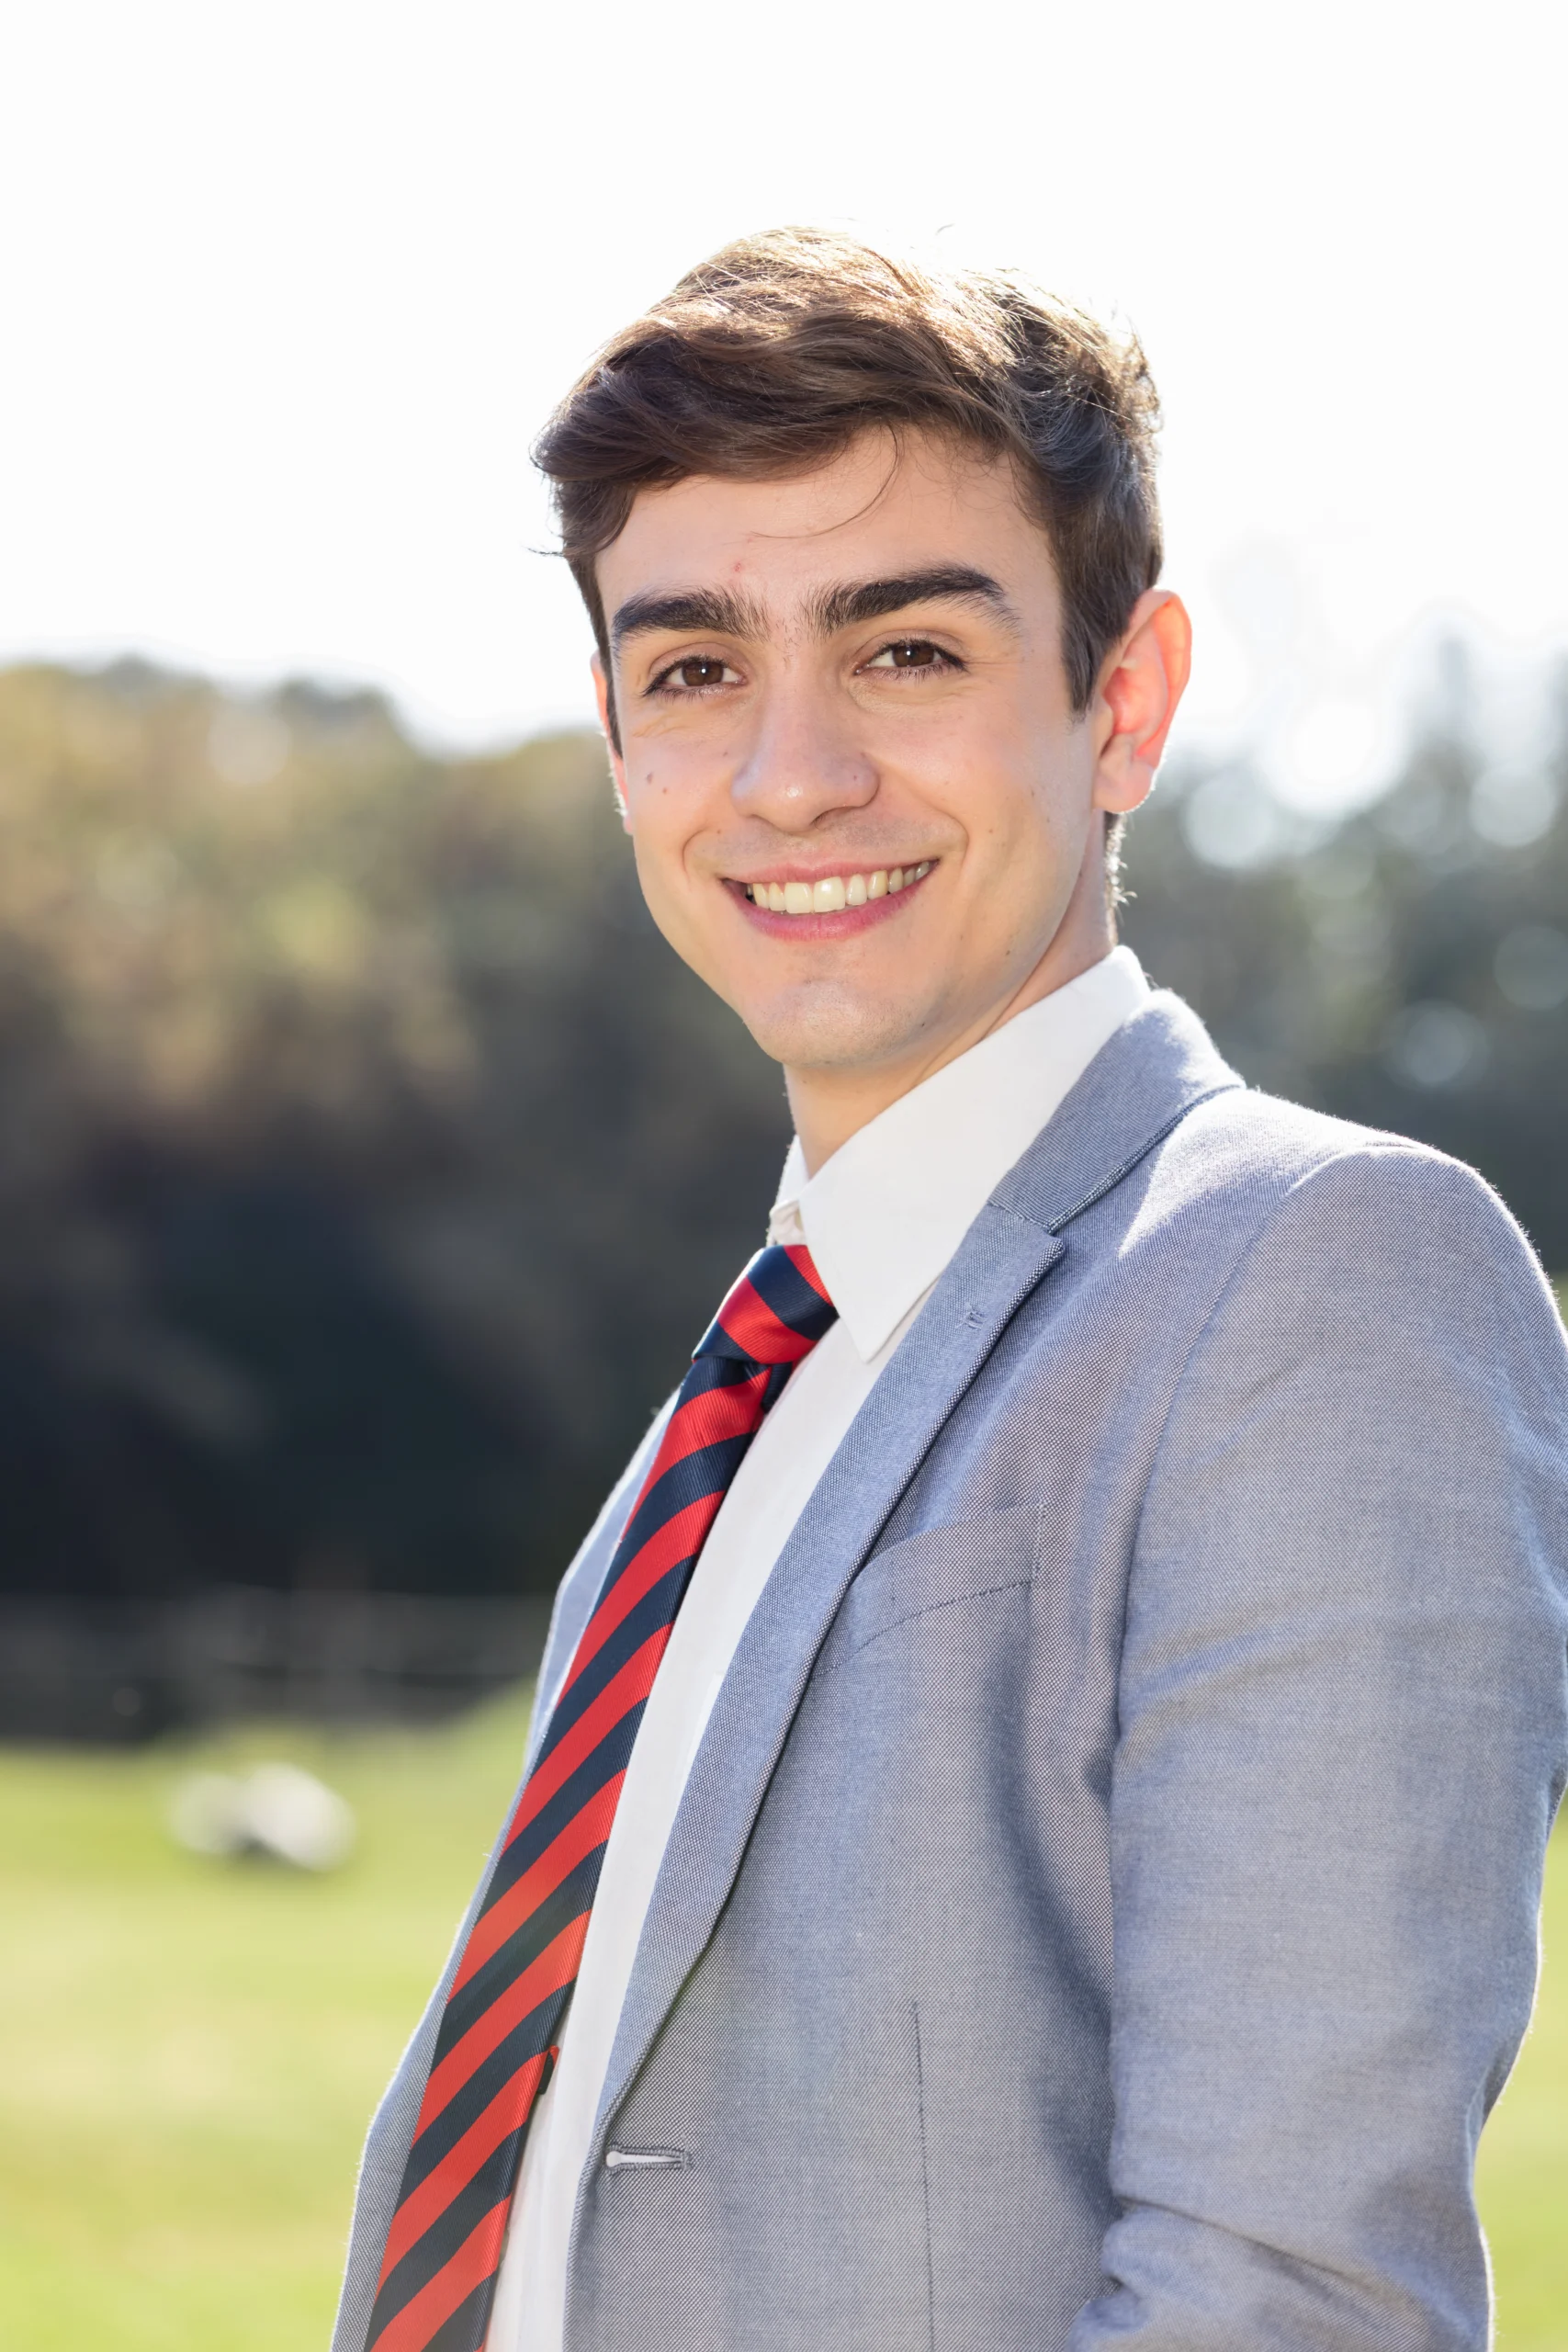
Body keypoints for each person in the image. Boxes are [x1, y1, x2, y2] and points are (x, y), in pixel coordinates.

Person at [334, 231, 1568, 2352]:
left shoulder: (1317, 1277)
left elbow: (1285, 2301)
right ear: (622, 739)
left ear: (1126, 702)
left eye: (903, 652)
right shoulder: (759, 1364)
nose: (788, 774)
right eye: (695, 666)